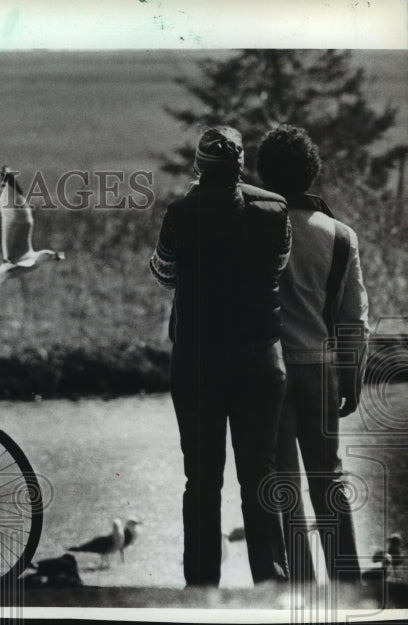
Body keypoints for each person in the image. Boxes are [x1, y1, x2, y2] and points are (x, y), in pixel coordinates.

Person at [150, 125, 291, 586]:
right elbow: (277, 266)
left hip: (197, 361)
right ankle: (271, 585)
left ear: (198, 166)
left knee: (203, 482)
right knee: (260, 477)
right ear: (241, 163)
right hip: (260, 359)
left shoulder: (180, 213)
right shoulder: (275, 209)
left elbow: (165, 273)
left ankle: (201, 590)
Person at [256, 125, 369, 586]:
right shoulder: (340, 235)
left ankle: (298, 590)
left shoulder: (255, 227)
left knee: (284, 486)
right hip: (322, 372)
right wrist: (352, 376)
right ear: (311, 172)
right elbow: (353, 318)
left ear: (264, 172)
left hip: (273, 374)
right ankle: (350, 586)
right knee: (330, 481)